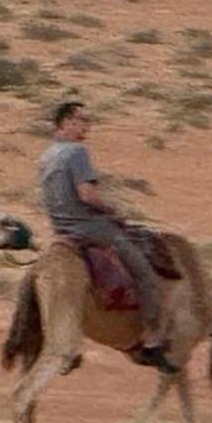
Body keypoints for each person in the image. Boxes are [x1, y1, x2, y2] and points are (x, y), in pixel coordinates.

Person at [38, 101, 177, 374]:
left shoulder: (47, 155)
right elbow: (86, 194)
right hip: (90, 228)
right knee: (145, 272)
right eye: (82, 119)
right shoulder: (77, 152)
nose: (87, 125)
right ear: (65, 122)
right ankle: (150, 338)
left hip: (60, 228)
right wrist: (112, 209)